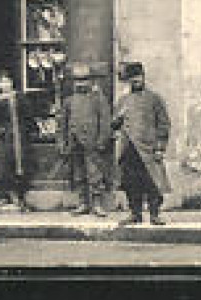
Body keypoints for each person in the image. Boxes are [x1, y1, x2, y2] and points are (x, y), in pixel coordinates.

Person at [112, 61, 171, 226]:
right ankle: (135, 214)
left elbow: (164, 124)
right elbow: (113, 125)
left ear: (143, 78)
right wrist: (118, 118)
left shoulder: (155, 99)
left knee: (152, 183)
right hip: (129, 148)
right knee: (131, 183)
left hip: (149, 149)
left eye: (138, 77)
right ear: (128, 81)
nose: (136, 81)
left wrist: (160, 147)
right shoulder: (123, 101)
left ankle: (155, 214)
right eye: (132, 78)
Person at [57, 63, 111, 215]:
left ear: (90, 81)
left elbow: (105, 121)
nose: (81, 83)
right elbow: (62, 124)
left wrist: (102, 140)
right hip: (74, 143)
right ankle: (83, 203)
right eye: (77, 80)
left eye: (84, 80)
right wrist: (62, 142)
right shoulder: (68, 101)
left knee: (95, 174)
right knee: (78, 174)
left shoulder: (98, 99)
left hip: (92, 143)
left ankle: (97, 204)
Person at [0, 71, 32, 211]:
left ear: (12, 83)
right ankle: (8, 194)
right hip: (4, 135)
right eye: (2, 82)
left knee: (20, 164)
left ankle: (21, 196)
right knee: (4, 164)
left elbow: (28, 115)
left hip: (19, 135)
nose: (4, 85)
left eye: (7, 82)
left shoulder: (20, 97)